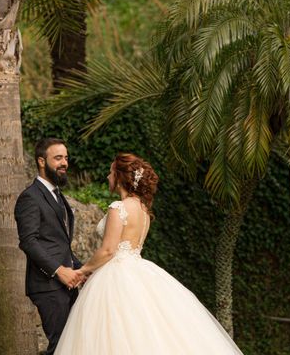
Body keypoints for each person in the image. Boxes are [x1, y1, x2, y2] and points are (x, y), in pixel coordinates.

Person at [55, 153, 243, 354]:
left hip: (116, 276)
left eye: (111, 172)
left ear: (119, 177)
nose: (107, 177)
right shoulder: (143, 209)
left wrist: (82, 271)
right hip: (138, 268)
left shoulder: (118, 207)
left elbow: (108, 250)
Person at [15, 138, 85, 355]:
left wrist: (83, 268)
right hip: (48, 286)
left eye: (66, 158)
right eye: (58, 158)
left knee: (72, 345)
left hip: (68, 284)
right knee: (60, 347)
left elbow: (59, 243)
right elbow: (29, 241)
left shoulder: (57, 195)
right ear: (41, 161)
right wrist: (59, 270)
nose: (64, 163)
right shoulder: (30, 197)